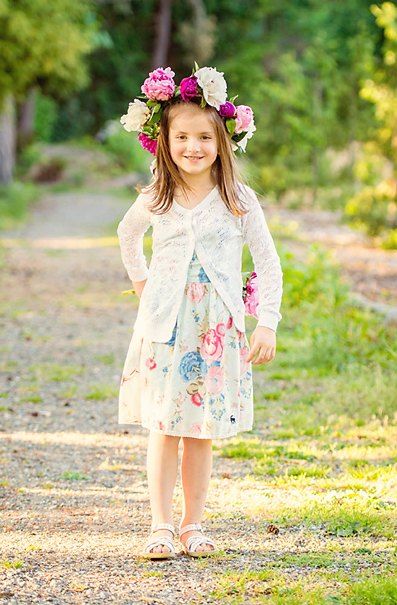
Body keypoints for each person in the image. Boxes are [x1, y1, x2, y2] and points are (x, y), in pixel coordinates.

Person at [116, 65, 283, 560]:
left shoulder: (237, 199)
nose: (193, 146)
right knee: (165, 426)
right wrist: (143, 284)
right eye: (182, 136)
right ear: (164, 140)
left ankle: (193, 524)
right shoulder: (158, 196)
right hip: (165, 326)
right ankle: (161, 525)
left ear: (223, 141)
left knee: (201, 429)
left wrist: (267, 321)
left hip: (216, 328)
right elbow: (128, 236)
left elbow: (268, 262)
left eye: (204, 136)